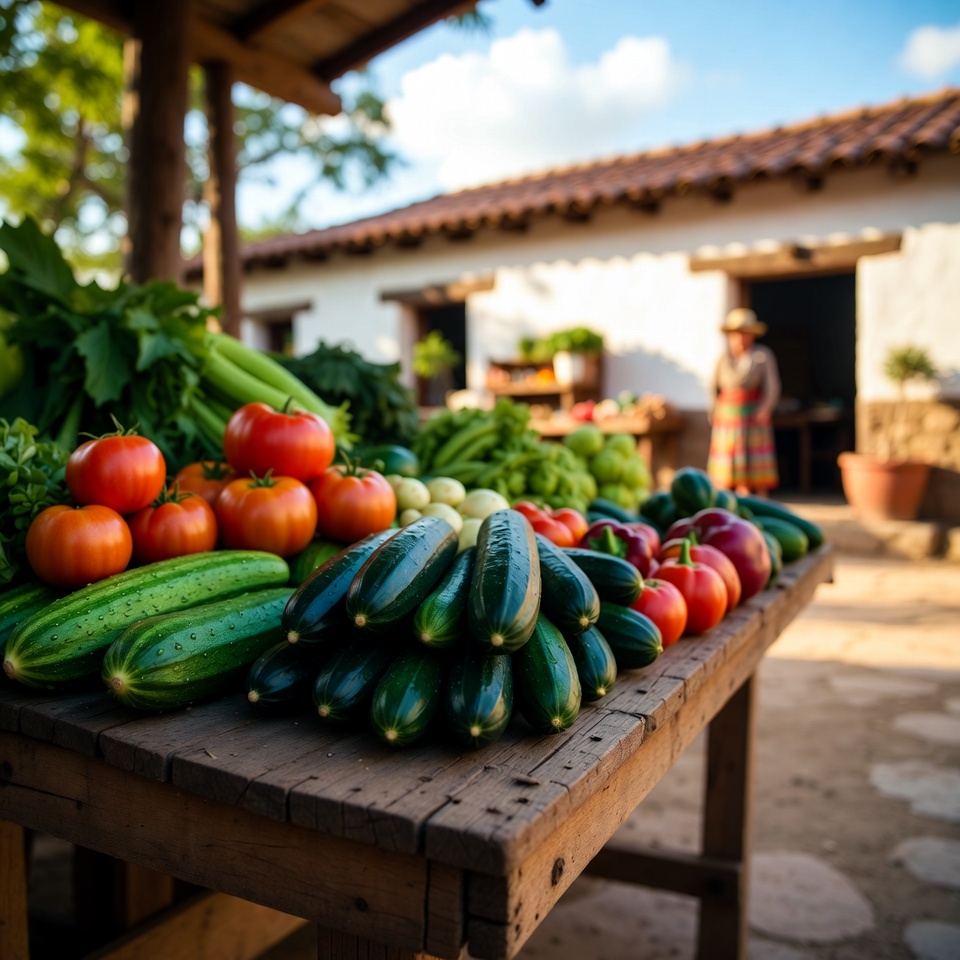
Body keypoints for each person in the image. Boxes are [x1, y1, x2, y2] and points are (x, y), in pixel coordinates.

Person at [707, 307, 781, 496]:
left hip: (752, 417)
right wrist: (714, 411)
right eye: (736, 334)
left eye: (744, 333)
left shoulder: (762, 356)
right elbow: (713, 387)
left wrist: (765, 409)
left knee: (753, 468)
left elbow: (772, 386)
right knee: (726, 470)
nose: (740, 338)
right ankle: (725, 502)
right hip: (727, 420)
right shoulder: (723, 358)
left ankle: (756, 502)